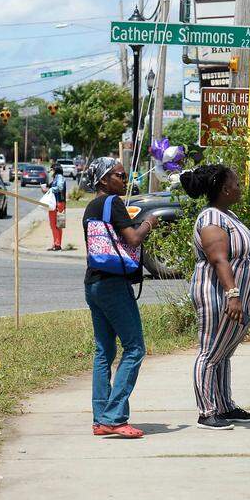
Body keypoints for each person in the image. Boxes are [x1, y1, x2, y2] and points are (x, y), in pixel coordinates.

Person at [81, 157, 160, 439]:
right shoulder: (113, 203)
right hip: (114, 285)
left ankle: (101, 418)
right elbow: (133, 239)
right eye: (119, 175)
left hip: (94, 283)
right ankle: (114, 418)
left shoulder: (90, 207)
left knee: (104, 351)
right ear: (103, 180)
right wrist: (149, 223)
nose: (125, 180)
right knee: (135, 348)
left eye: (125, 176)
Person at [180, 164, 250, 430]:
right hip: (216, 294)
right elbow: (219, 260)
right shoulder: (211, 220)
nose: (239, 187)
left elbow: (246, 257)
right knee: (210, 353)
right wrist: (234, 295)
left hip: (237, 295)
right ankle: (207, 412)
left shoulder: (228, 215)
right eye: (236, 183)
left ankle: (225, 407)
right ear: (225, 189)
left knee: (224, 353)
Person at [44, 167, 67, 250]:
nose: (50, 171)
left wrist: (50, 189)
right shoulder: (57, 178)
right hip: (60, 203)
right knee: (58, 225)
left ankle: (57, 244)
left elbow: (60, 187)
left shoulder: (59, 177)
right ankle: (57, 244)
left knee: (54, 225)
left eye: (51, 169)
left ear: (55, 170)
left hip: (57, 203)